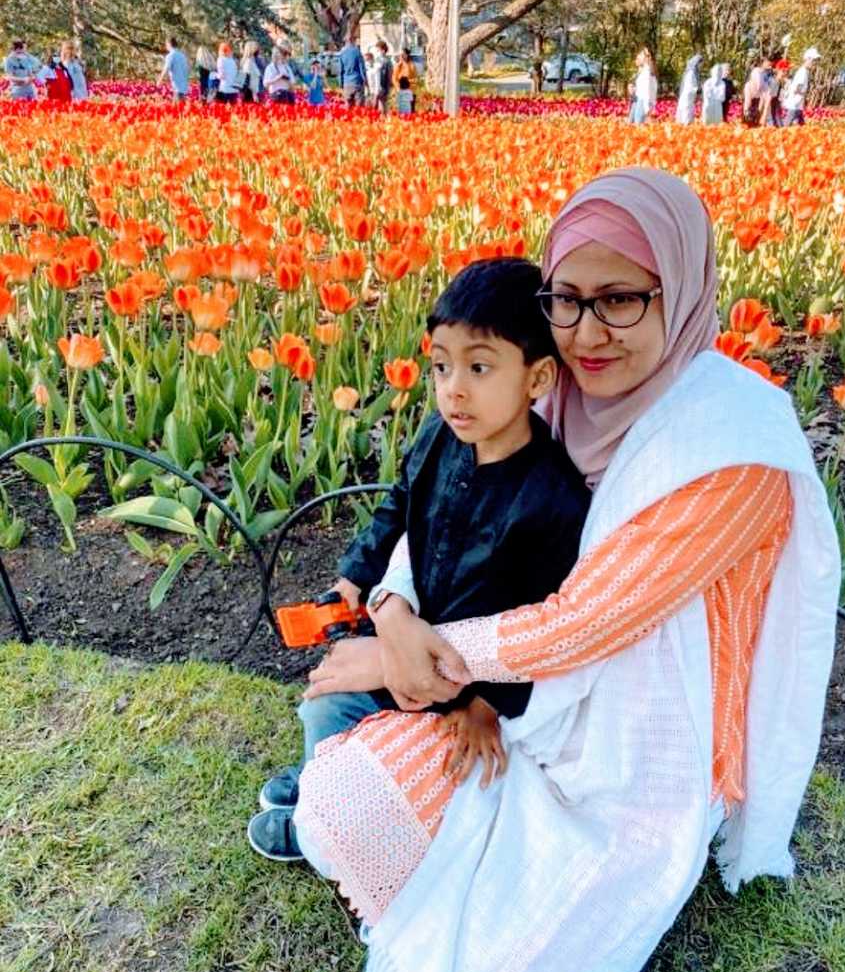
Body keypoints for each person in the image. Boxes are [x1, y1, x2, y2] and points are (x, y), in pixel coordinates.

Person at [290, 166, 841, 972]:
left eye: (622, 298)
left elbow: (587, 621)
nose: (588, 332)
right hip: (509, 688)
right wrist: (389, 615)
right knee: (341, 786)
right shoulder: (551, 402)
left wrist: (402, 654)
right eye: (568, 300)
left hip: (636, 754)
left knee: (363, 816)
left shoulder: (730, 444)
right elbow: (427, 526)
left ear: (684, 287)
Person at [247, 257, 592, 859]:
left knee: (417, 772)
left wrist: (486, 708)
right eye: (441, 366)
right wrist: (356, 573)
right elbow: (398, 505)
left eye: (479, 368)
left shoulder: (552, 498)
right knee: (325, 704)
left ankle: (323, 829)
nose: (453, 387)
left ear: (537, 379)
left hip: (470, 676)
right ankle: (318, 797)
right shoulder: (439, 436)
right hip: (410, 635)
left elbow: (538, 624)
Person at [782, 46, 820, 126]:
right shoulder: (802, 72)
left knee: (801, 126)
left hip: (798, 105)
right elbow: (796, 89)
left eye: (815, 61)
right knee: (786, 126)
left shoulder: (805, 71)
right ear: (808, 59)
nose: (814, 63)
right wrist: (805, 94)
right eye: (813, 61)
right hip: (794, 104)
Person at [157, 36, 190, 102]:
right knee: (181, 108)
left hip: (177, 87)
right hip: (184, 87)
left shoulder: (170, 55)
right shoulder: (182, 55)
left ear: (169, 44)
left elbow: (166, 68)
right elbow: (187, 69)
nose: (166, 47)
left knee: (178, 108)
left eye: (166, 45)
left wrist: (159, 80)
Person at [629, 47, 657, 124]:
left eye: (640, 55)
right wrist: (633, 90)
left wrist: (647, 107)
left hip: (643, 101)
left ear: (646, 58)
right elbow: (641, 88)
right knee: (631, 123)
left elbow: (648, 90)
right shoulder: (642, 72)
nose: (637, 57)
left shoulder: (648, 71)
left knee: (637, 124)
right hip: (637, 100)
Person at [338, 32, 367, 107]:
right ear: (353, 40)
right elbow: (362, 68)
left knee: (348, 106)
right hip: (357, 82)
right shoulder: (357, 52)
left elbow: (340, 71)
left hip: (347, 83)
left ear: (346, 41)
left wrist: (341, 83)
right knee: (359, 107)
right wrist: (365, 80)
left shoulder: (342, 53)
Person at [675, 53, 702, 124]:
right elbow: (690, 85)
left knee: (688, 113)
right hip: (687, 96)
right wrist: (698, 90)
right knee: (686, 114)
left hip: (690, 97)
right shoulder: (691, 73)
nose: (701, 66)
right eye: (700, 63)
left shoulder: (694, 73)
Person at [374, 40, 392, 114]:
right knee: (380, 102)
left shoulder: (386, 61)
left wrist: (389, 83)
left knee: (382, 102)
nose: (377, 52)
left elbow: (389, 73)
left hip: (383, 84)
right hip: (378, 83)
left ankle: (381, 117)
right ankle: (380, 116)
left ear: (383, 50)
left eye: (378, 50)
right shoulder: (378, 59)